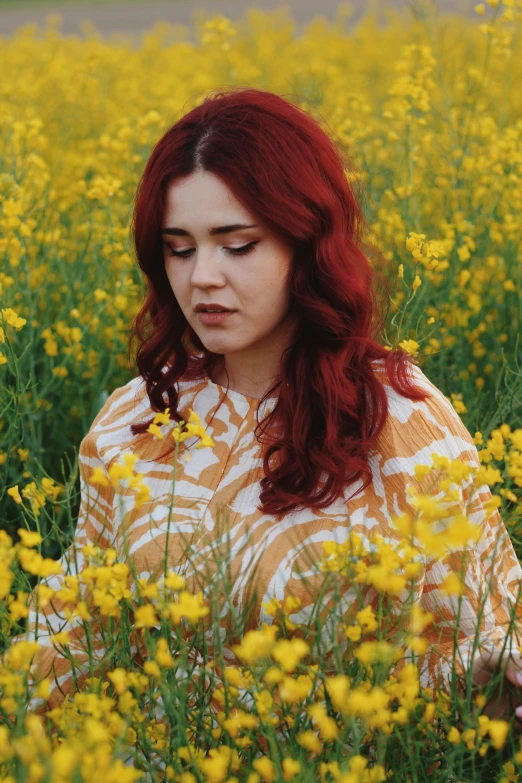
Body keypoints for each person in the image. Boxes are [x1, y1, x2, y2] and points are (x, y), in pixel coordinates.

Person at [18, 87, 522, 732]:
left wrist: (483, 682)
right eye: (180, 247)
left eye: (237, 244)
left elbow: (472, 641)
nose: (202, 276)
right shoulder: (135, 418)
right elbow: (71, 640)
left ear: (306, 245)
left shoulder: (400, 420)